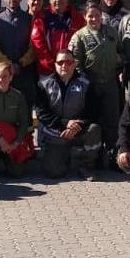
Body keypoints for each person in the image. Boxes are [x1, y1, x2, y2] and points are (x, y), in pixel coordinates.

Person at [35, 50, 101, 180]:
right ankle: (64, 156)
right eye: (60, 62)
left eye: (68, 62)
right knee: (54, 173)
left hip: (78, 130)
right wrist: (65, 124)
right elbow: (42, 114)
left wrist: (76, 126)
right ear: (55, 65)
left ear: (74, 64)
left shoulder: (86, 84)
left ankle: (85, 165)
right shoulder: (43, 84)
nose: (64, 65)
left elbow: (93, 112)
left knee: (94, 129)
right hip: (55, 133)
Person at [70, 1, 121, 167]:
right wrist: (85, 83)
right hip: (91, 86)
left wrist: (120, 69)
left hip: (111, 84)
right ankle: (94, 158)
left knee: (112, 122)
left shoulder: (112, 32)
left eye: (97, 15)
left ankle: (113, 157)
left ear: (102, 16)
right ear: (85, 17)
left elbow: (120, 52)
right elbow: (76, 63)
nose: (94, 19)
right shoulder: (79, 36)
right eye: (90, 16)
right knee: (94, 123)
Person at [0, 0, 36, 104]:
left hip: (24, 71)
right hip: (4, 73)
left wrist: (21, 63)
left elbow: (34, 46)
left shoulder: (30, 19)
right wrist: (9, 65)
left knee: (25, 109)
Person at [31, 0, 85, 77]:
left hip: (73, 70)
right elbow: (38, 45)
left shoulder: (77, 17)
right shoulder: (41, 18)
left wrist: (71, 65)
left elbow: (83, 43)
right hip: (48, 72)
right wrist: (54, 66)